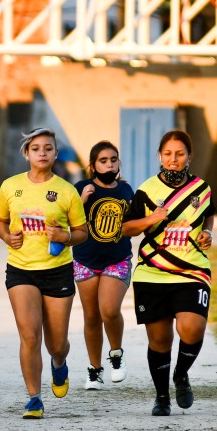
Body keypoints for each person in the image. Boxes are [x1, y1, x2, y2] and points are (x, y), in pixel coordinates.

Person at [0, 127, 87, 419]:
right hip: (21, 270)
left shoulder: (67, 190)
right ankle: (34, 397)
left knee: (56, 343)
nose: (42, 153)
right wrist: (7, 237)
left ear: (56, 154)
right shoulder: (10, 186)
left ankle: (59, 363)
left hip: (57, 271)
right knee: (30, 336)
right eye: (36, 148)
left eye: (48, 148)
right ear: (27, 154)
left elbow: (82, 232)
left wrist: (64, 237)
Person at [121, 130, 215, 417]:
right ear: (160, 156)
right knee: (159, 341)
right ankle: (162, 397)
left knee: (192, 328)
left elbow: (209, 213)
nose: (173, 160)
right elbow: (125, 228)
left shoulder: (202, 189)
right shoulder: (147, 190)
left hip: (192, 270)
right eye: (168, 154)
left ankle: (181, 374)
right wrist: (151, 219)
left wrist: (208, 232)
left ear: (189, 157)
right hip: (153, 273)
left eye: (180, 154)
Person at [72, 141, 135, 389]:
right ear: (92, 165)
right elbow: (69, 222)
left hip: (116, 259)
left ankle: (116, 355)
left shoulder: (127, 190)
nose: (109, 164)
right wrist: (81, 200)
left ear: (119, 162)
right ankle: (94, 369)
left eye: (113, 159)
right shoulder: (81, 188)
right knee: (91, 315)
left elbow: (135, 224)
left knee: (108, 310)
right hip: (85, 261)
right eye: (103, 160)